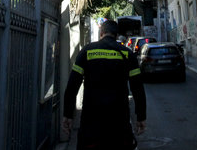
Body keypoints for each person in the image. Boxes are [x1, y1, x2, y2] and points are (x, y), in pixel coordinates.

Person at [63, 19, 147, 150]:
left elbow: (72, 86)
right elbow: (137, 88)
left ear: (101, 33)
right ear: (116, 35)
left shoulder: (87, 52)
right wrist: (141, 117)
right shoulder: (127, 54)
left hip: (91, 123)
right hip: (119, 122)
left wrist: (68, 115)